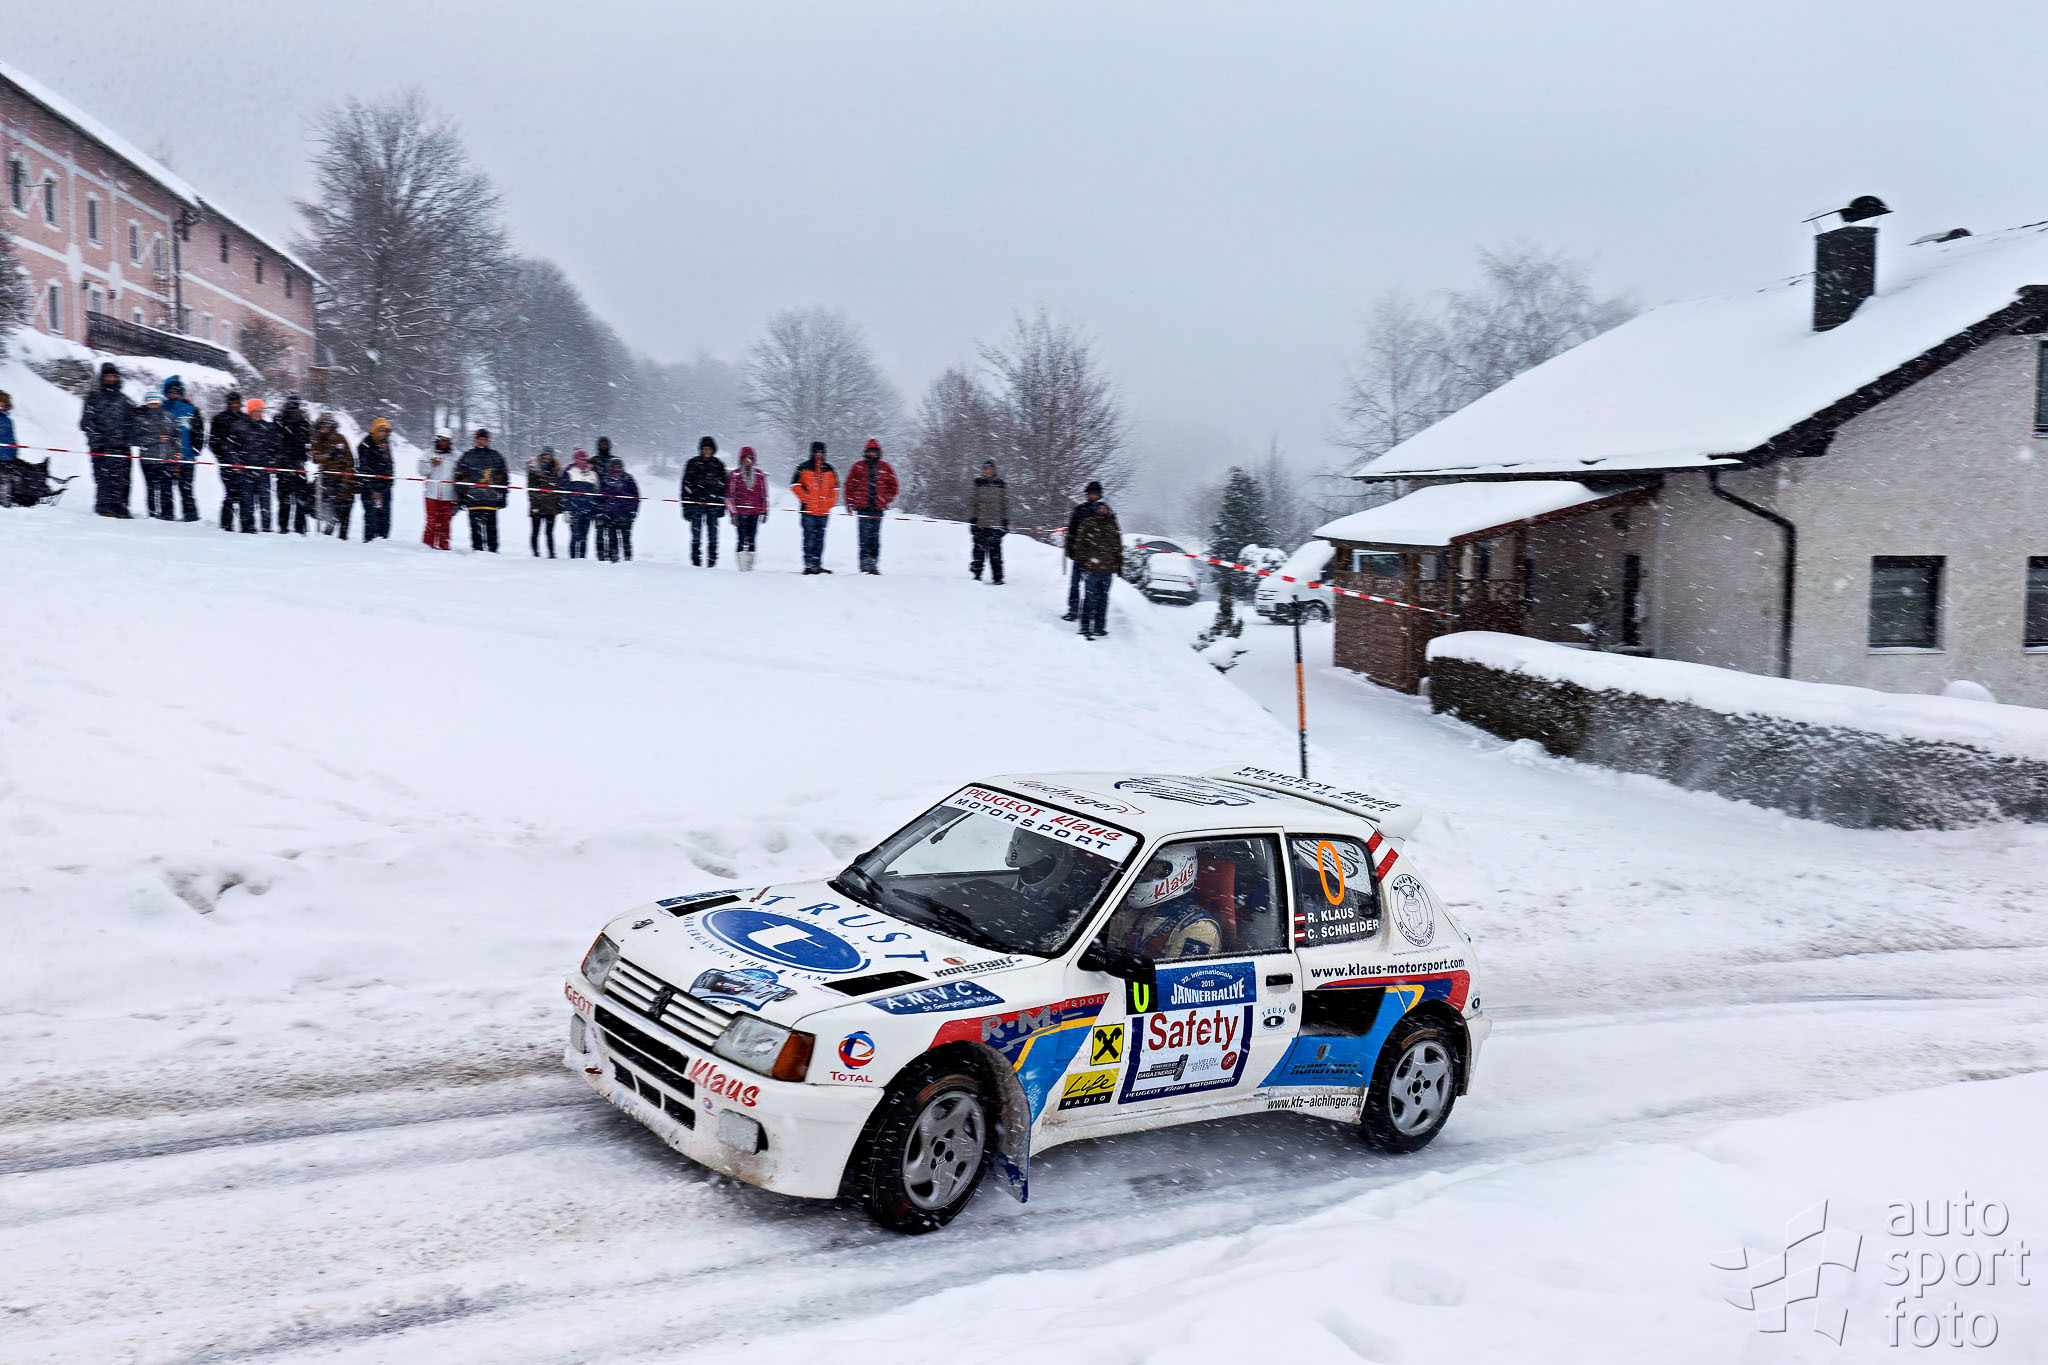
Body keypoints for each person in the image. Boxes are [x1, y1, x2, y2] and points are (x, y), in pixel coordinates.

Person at [1103, 846, 1223, 959]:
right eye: (1144, 867)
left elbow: (1177, 974)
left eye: (1154, 868)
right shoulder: (1137, 910)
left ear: (1179, 871)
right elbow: (1099, 939)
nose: (1144, 874)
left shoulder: (1200, 928)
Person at [81, 361, 134, 518]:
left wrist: (127, 440)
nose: (110, 379)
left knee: (122, 480)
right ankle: (104, 508)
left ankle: (121, 508)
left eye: (113, 376)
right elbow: (86, 422)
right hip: (101, 448)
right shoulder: (94, 397)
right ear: (102, 377)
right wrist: (96, 442)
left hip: (121, 448)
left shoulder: (125, 400)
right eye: (108, 376)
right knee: (103, 479)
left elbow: (133, 422)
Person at [1071, 497, 1123, 640]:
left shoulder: (1112, 525)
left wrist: (1118, 564)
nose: (1103, 510)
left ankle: (1099, 628)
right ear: (1096, 509)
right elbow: (1080, 545)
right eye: (1100, 508)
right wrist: (1081, 562)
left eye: (1105, 508)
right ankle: (1085, 627)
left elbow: (1117, 547)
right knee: (1089, 599)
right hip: (1091, 569)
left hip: (1107, 570)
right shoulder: (1088, 523)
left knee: (1103, 600)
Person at [844, 437, 898, 574]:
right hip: (862, 508)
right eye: (870, 451)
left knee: (875, 538)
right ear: (866, 452)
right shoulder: (858, 466)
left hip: (878, 509)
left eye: (875, 451)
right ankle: (864, 565)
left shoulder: (885, 467)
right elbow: (849, 485)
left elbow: (894, 486)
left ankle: (873, 564)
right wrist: (850, 502)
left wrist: (886, 499)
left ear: (879, 452)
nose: (872, 454)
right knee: (864, 538)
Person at [454, 428, 508, 552]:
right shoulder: (467, 456)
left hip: (491, 500)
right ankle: (477, 552)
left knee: (492, 531)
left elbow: (503, 478)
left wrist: (504, 496)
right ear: (475, 440)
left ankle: (493, 553)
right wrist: (461, 496)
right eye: (479, 439)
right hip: (473, 499)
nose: (482, 441)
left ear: (488, 441)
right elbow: (459, 477)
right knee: (475, 531)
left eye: (484, 439)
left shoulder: (495, 456)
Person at [132, 387, 183, 520]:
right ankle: (153, 515)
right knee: (151, 489)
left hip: (167, 459)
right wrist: (155, 439)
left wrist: (178, 450)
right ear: (146, 403)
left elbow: (176, 435)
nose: (154, 405)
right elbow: (134, 439)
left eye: (156, 402)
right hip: (148, 460)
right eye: (151, 403)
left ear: (160, 402)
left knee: (167, 489)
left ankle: (168, 515)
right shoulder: (140, 419)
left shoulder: (169, 417)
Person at [210, 392, 256, 532]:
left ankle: (246, 525)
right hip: (227, 464)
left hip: (244, 463)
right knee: (230, 494)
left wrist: (245, 458)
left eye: (237, 403)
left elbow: (250, 441)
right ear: (228, 403)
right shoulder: (219, 419)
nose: (235, 405)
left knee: (245, 495)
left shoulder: (245, 418)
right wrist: (226, 459)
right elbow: (214, 443)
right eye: (233, 403)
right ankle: (226, 525)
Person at [791, 441, 838, 575]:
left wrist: (829, 503)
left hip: (823, 512)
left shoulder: (829, 469)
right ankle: (809, 565)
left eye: (821, 452)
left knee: (820, 539)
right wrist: (807, 499)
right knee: (809, 538)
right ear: (812, 453)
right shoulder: (803, 467)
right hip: (808, 511)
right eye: (816, 452)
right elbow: (794, 486)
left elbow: (835, 489)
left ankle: (817, 564)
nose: (819, 454)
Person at [680, 436, 727, 568]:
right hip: (695, 505)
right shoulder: (692, 463)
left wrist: (721, 505)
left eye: (709, 449)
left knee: (713, 536)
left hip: (713, 506)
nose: (707, 451)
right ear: (701, 449)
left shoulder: (718, 465)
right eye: (704, 449)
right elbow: (685, 486)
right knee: (696, 536)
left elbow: (723, 487)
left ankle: (712, 562)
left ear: (713, 450)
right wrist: (686, 507)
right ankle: (696, 562)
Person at [1062, 481, 1104, 620]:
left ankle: (1089, 612)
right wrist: (1070, 548)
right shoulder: (1079, 510)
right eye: (1090, 494)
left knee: (1091, 587)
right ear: (1087, 494)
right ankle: (1073, 610)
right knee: (1075, 584)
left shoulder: (1104, 511)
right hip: (1079, 553)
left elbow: (1108, 534)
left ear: (1099, 495)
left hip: (1095, 556)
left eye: (1095, 494)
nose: (1093, 496)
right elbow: (1072, 531)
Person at [161, 376, 202, 521]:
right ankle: (167, 516)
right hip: (166, 456)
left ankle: (191, 517)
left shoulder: (190, 409)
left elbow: (199, 432)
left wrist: (195, 450)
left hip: (187, 456)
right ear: (165, 392)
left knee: (186, 489)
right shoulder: (160, 408)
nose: (173, 394)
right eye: (170, 391)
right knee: (166, 489)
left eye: (176, 391)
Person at [270, 393, 310, 534]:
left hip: (294, 464)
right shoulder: (283, 420)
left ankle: (293, 528)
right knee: (289, 500)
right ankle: (289, 528)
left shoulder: (301, 421)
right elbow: (276, 441)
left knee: (294, 500)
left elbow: (305, 441)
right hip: (288, 464)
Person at [725, 446, 769, 572]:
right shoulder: (735, 475)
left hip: (755, 512)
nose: (748, 460)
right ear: (741, 459)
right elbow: (730, 496)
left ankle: (749, 567)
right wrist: (733, 513)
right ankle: (742, 567)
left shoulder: (759, 474)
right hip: (741, 513)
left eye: (750, 458)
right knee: (741, 539)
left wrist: (765, 511)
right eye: (745, 458)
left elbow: (764, 495)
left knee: (752, 539)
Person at [310, 414, 354, 538]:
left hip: (341, 479)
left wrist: (345, 480)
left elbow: (349, 461)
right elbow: (315, 457)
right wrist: (329, 456)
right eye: (323, 426)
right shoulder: (317, 440)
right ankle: (327, 533)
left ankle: (342, 537)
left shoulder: (340, 439)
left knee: (344, 509)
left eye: (328, 426)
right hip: (326, 479)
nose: (325, 429)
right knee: (327, 507)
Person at [243, 399, 281, 533]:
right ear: (249, 411)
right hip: (246, 471)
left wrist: (272, 462)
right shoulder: (241, 427)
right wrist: (239, 463)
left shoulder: (269, 428)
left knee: (265, 502)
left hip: (264, 472)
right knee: (247, 502)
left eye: (260, 411)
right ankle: (248, 527)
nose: (258, 413)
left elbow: (277, 448)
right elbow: (235, 447)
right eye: (256, 411)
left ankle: (266, 527)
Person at [969, 460, 1009, 585]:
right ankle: (977, 576)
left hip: (996, 526)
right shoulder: (978, 483)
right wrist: (973, 520)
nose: (988, 471)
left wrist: (1005, 522)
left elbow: (1005, 505)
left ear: (994, 470)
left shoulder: (1000, 484)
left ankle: (998, 578)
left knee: (995, 554)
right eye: (986, 469)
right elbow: (973, 503)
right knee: (979, 553)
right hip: (981, 525)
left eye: (990, 469)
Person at [356, 417, 395, 542]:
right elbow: (364, 469)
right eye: (381, 430)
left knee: (385, 518)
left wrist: (389, 482)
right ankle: (370, 542)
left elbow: (390, 464)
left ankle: (383, 540)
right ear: (375, 430)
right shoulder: (365, 444)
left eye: (385, 431)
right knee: (371, 517)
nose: (383, 433)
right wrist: (373, 489)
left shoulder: (386, 444)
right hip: (370, 488)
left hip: (385, 488)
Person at [419, 434, 459, 550]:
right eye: (440, 440)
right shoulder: (428, 453)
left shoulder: (456, 456)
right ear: (436, 440)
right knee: (431, 522)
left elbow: (462, 473)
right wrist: (431, 465)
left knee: (445, 523)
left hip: (449, 495)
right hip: (431, 494)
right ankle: (427, 546)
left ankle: (444, 546)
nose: (443, 443)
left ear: (450, 441)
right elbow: (421, 470)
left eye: (445, 440)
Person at [596, 454, 639, 562]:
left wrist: (633, 511)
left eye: (619, 467)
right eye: (614, 467)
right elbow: (600, 498)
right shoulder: (606, 480)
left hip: (626, 516)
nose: (617, 469)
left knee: (626, 539)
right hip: (610, 515)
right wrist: (601, 512)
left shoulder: (628, 479)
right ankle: (613, 559)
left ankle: (628, 559)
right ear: (610, 467)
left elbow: (636, 497)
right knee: (612, 539)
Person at [562, 447, 600, 558]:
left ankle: (583, 559)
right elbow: (565, 493)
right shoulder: (570, 473)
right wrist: (567, 510)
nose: (583, 462)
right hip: (574, 511)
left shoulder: (593, 474)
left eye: (585, 460)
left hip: (588, 510)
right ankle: (573, 559)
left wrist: (594, 508)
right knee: (575, 536)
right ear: (575, 460)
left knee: (584, 537)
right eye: (580, 459)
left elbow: (596, 492)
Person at [527, 445, 563, 558]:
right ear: (541, 456)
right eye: (545, 456)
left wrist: (558, 504)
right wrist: (535, 502)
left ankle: (551, 553)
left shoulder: (556, 470)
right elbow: (530, 489)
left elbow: (560, 489)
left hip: (551, 507)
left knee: (549, 532)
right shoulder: (534, 469)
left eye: (549, 456)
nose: (547, 458)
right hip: (537, 506)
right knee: (535, 531)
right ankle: (535, 553)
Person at [0, 389, 16, 507]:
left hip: (6, 457)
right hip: (5, 455)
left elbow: (11, 438)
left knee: (5, 480)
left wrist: (14, 451)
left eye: (3, 402)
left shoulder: (8, 420)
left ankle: (5, 504)